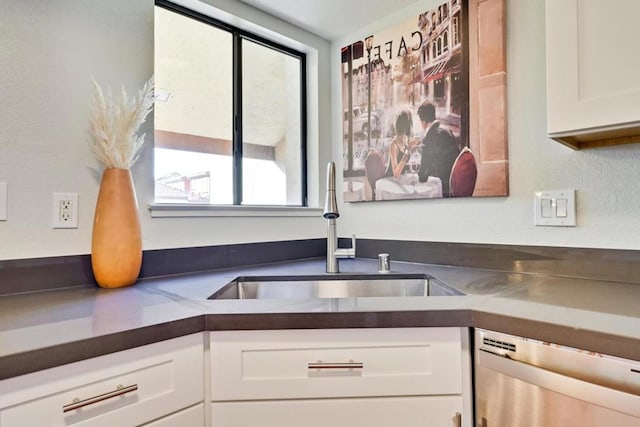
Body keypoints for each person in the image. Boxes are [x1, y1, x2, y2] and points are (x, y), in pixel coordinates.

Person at [416, 102, 460, 197]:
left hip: (442, 189)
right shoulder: (447, 131)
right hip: (455, 184)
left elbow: (422, 177)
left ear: (423, 122)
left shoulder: (428, 139)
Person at [386, 110, 420, 178]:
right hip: (391, 180)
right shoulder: (393, 145)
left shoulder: (407, 139)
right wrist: (407, 150)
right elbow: (396, 173)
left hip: (402, 178)